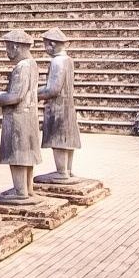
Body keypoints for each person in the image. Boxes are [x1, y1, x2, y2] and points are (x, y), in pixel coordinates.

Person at [0, 29, 42, 202]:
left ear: (16, 46)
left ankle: (20, 191)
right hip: (28, 115)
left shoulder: (22, 66)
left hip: (19, 117)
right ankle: (26, 188)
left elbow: (15, 96)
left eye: (8, 48)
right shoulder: (32, 64)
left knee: (18, 154)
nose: (7, 52)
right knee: (26, 153)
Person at [37, 28, 81, 182]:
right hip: (68, 104)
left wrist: (34, 93)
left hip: (58, 105)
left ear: (52, 44)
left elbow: (53, 88)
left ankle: (62, 171)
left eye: (45, 45)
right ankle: (67, 169)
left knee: (59, 138)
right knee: (67, 138)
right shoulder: (68, 59)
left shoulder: (57, 61)